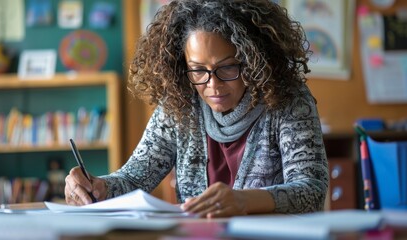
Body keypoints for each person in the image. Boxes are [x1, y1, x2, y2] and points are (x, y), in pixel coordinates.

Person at [65, 0, 329, 218]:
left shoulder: (288, 99)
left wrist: (244, 201)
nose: (212, 84)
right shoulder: (179, 105)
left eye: (227, 67)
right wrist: (98, 187)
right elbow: (134, 179)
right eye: (198, 70)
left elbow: (312, 190)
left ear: (253, 59)